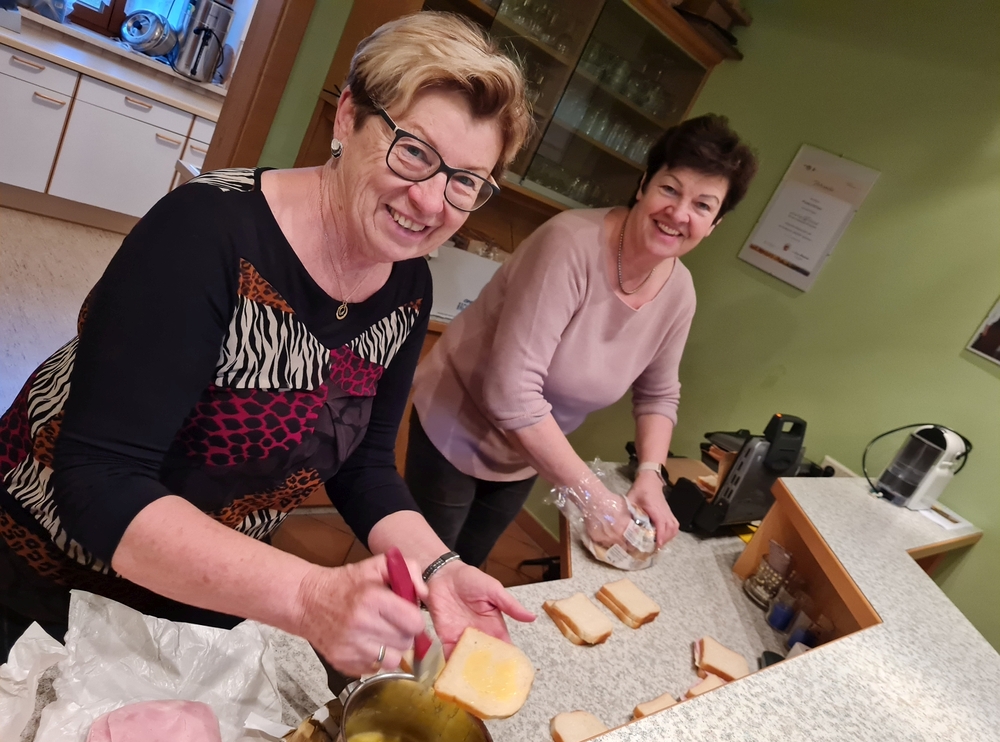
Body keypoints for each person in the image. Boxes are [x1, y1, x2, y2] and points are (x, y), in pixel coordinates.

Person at [0, 12, 535, 674]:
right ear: (348, 117)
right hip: (49, 579)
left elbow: (364, 466)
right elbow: (102, 481)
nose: (431, 202)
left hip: (211, 592)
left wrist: (440, 568)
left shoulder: (408, 287)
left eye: (466, 181)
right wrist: (308, 596)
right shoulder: (204, 233)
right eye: (415, 152)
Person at [407, 114, 758, 567]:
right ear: (644, 185)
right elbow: (510, 391)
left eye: (703, 205)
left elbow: (658, 394)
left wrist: (651, 473)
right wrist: (592, 497)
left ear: (714, 224)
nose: (679, 213)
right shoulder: (569, 245)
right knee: (425, 571)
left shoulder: (680, 292)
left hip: (528, 449)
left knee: (468, 565)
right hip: (458, 420)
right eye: (670, 189)